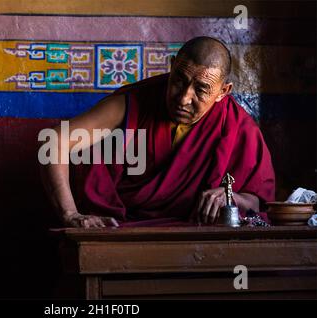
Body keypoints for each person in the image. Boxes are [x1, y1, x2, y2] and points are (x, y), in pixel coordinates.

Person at [40, 36, 275, 228]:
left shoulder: (236, 126)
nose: (184, 98)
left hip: (198, 238)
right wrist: (70, 214)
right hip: (119, 230)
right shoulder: (135, 103)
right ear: (172, 66)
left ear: (224, 91)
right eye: (179, 81)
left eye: (201, 89)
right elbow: (53, 143)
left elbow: (259, 202)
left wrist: (231, 197)